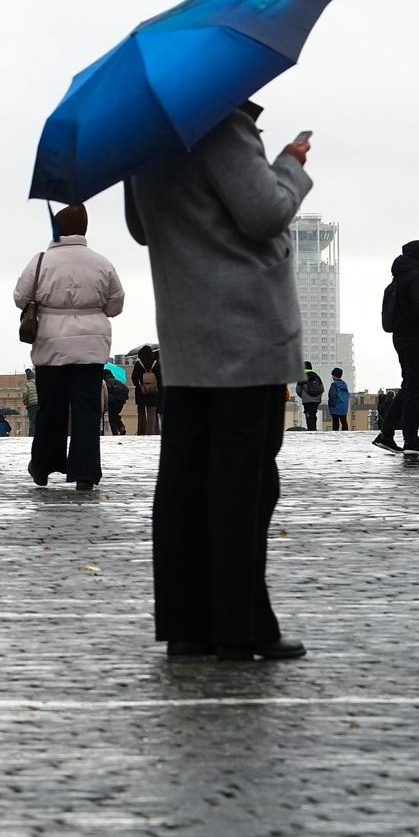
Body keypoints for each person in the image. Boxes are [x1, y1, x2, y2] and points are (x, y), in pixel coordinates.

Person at [124, 100, 310, 663]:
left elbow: (140, 227)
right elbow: (264, 213)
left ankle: (188, 627)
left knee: (184, 488)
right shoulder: (221, 123)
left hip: (186, 337)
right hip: (244, 334)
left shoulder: (143, 134)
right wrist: (290, 163)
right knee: (243, 488)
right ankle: (241, 626)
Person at [13, 203, 125, 492]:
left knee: (51, 408)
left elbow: (20, 297)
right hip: (90, 347)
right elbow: (116, 305)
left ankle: (43, 466)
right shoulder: (101, 263)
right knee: (87, 410)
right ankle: (85, 472)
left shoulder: (41, 261)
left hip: (51, 346)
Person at [374, 240, 419, 455]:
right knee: (414, 389)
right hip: (416, 339)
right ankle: (410, 439)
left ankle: (386, 434)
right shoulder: (415, 278)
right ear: (417, 253)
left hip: (403, 338)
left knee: (410, 386)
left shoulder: (400, 277)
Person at [131, 346, 162, 437]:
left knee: (141, 413)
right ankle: (150, 432)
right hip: (153, 393)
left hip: (141, 393)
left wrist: (140, 386)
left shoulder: (138, 364)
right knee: (151, 414)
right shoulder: (155, 364)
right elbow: (160, 378)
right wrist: (155, 387)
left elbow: (134, 378)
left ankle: (141, 432)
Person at [296, 362, 324, 431]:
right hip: (316, 399)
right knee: (313, 413)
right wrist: (317, 395)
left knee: (308, 414)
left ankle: (311, 429)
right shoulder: (316, 376)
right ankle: (314, 428)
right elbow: (322, 388)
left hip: (307, 400)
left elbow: (298, 390)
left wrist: (303, 396)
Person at [103, 371, 129, 436]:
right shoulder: (118, 381)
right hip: (121, 401)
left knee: (112, 419)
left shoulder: (104, 382)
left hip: (112, 402)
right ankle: (121, 428)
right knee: (115, 415)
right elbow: (126, 389)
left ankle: (115, 434)